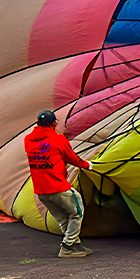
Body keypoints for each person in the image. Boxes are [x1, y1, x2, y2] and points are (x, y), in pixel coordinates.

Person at [24, 110, 93, 257]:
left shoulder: (28, 140)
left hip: (41, 191)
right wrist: (88, 165)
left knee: (63, 218)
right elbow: (73, 159)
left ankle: (76, 244)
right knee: (77, 212)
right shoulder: (58, 140)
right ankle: (67, 246)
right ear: (53, 123)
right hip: (58, 188)